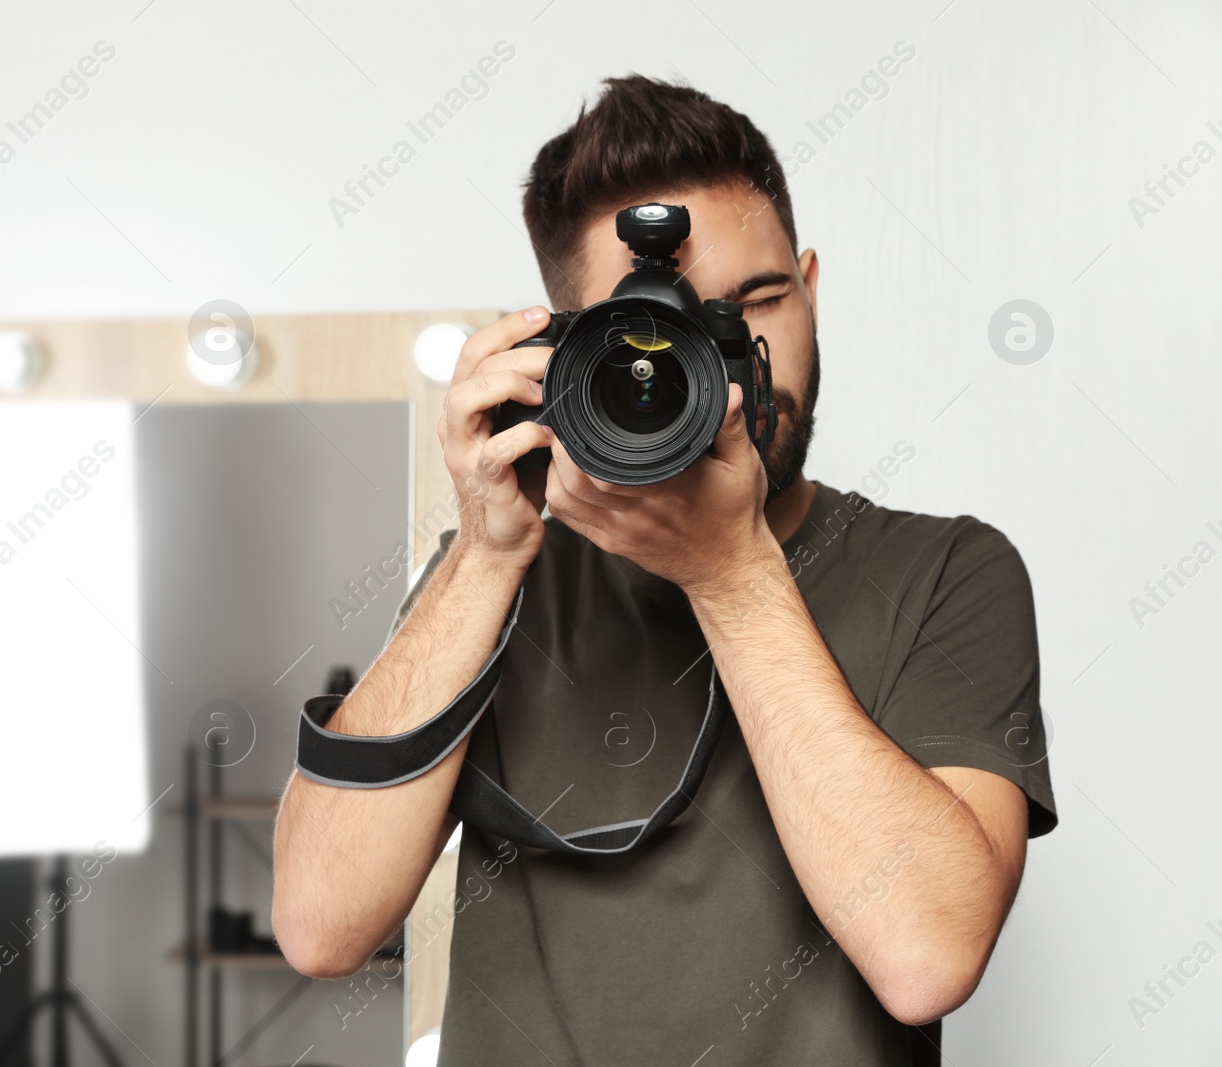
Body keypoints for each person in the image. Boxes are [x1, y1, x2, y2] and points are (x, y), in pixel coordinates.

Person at [272, 74, 1056, 1066]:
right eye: (656, 333)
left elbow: (927, 954)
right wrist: (485, 553)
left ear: (810, 286)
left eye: (755, 303)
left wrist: (732, 575)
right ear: (564, 351)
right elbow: (318, 926)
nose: (723, 373)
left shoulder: (947, 570)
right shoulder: (505, 571)